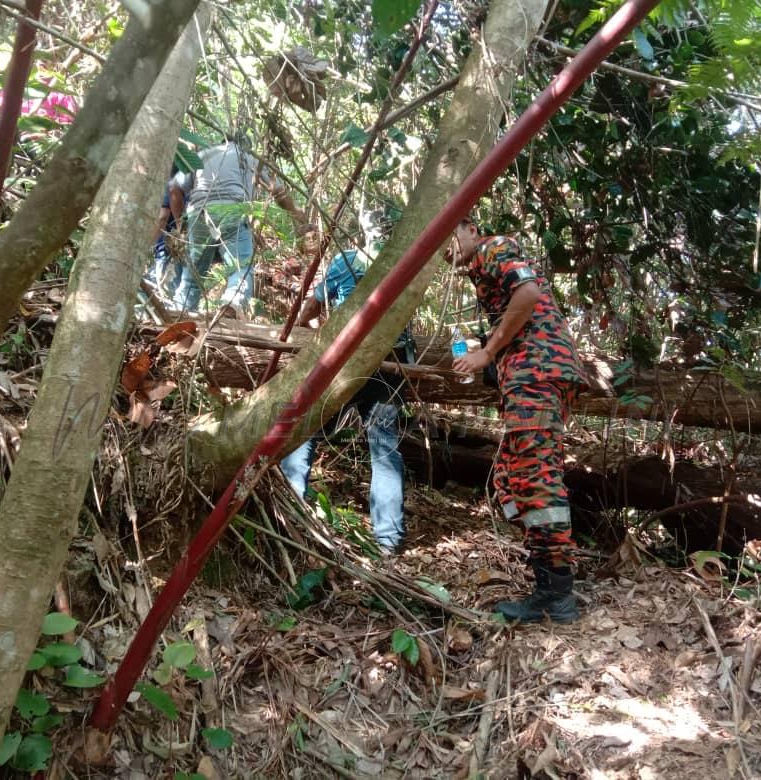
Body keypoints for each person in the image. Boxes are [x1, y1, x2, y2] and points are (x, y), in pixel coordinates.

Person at [445, 217, 588, 623]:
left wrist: (488, 353)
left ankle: (557, 595)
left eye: (450, 237)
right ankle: (549, 579)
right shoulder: (481, 269)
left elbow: (527, 293)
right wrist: (494, 360)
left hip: (537, 372)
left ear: (470, 228)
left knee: (536, 478)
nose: (447, 251)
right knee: (512, 477)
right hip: (529, 373)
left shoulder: (493, 248)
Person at [280, 229, 413, 555]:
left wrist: (310, 331)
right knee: (384, 452)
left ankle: (289, 515)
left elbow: (311, 309)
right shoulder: (408, 262)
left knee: (305, 428)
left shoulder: (348, 260)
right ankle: (388, 540)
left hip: (348, 363)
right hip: (388, 367)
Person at [170, 135, 306, 317]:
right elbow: (277, 191)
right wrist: (299, 216)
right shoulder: (247, 157)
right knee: (240, 267)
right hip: (232, 210)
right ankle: (232, 305)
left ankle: (179, 313)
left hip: (199, 212)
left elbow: (174, 189)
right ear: (247, 146)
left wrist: (181, 225)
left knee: (193, 274)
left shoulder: (203, 155)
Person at [146, 166, 194, 293]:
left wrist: (147, 247)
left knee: (160, 294)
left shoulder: (169, 187)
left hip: (166, 250)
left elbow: (163, 217)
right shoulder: (190, 189)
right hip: (185, 250)